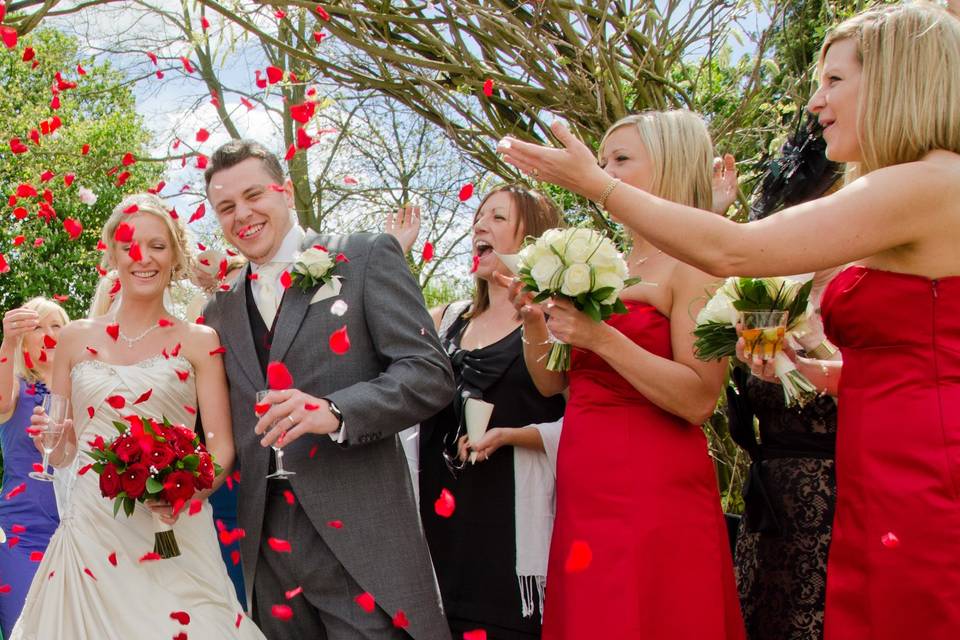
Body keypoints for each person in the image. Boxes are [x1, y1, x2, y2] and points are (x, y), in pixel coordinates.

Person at [496, 4, 960, 638]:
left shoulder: (929, 182)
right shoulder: (901, 191)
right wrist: (825, 373)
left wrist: (592, 186)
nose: (816, 103)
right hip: (877, 459)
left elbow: (734, 250)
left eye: (834, 82)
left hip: (926, 466)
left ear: (894, 82)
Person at [503, 111, 744, 639]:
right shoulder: (605, 263)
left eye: (620, 159)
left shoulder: (696, 262)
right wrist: (535, 326)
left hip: (653, 480)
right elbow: (552, 386)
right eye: (603, 158)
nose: (601, 169)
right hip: (585, 475)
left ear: (671, 164)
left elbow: (700, 398)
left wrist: (600, 337)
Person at [202, 139, 455, 640]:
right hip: (265, 543)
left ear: (287, 190)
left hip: (360, 530)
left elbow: (429, 372)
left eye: (255, 195)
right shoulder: (219, 310)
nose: (242, 215)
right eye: (226, 207)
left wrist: (337, 412)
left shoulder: (362, 257)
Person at [11, 194, 265, 639]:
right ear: (112, 254)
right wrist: (55, 441)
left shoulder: (200, 341)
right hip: (93, 527)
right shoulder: (73, 339)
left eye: (157, 246)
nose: (142, 258)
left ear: (175, 255)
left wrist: (192, 489)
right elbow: (66, 448)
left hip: (174, 524)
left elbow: (221, 445)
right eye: (129, 246)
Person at [388, 189, 567, 638]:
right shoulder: (446, 319)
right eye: (478, 216)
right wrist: (393, 256)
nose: (479, 226)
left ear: (534, 239)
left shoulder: (560, 321)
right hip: (438, 536)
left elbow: (583, 424)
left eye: (498, 217)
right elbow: (383, 348)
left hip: (508, 536)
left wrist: (511, 436)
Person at [725, 118, 843, 640]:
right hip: (766, 502)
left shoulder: (860, 289)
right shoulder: (767, 295)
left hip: (835, 499)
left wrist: (814, 344)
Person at [0, 298, 68, 638]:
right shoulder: (16, 389)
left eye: (57, 326)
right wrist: (7, 341)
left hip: (76, 532)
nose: (49, 334)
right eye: (38, 327)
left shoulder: (80, 388)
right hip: (22, 534)